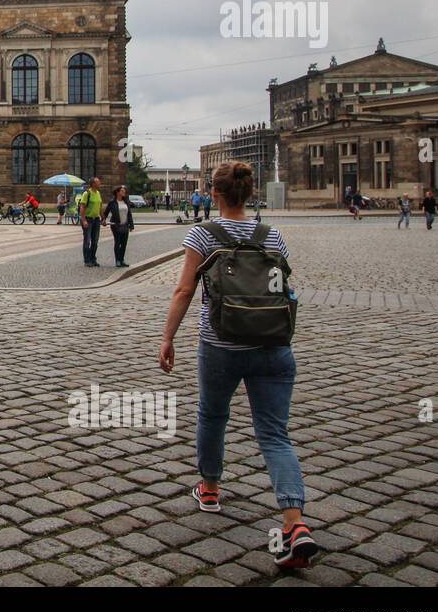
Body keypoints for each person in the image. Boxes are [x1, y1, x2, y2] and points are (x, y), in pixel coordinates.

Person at [159, 161, 317, 569]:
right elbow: (284, 288)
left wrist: (168, 338)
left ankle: (210, 489)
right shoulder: (272, 235)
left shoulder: (203, 234)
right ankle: (294, 523)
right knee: (274, 434)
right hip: (273, 344)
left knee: (212, 415)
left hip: (221, 345)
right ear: (248, 193)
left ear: (214, 193)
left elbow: (183, 289)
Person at [102, 185, 135, 267]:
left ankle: (122, 259)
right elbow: (106, 213)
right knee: (118, 242)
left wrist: (131, 225)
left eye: (124, 191)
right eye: (122, 191)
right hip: (116, 225)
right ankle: (117, 260)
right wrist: (103, 220)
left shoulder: (126, 201)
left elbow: (129, 214)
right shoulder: (112, 202)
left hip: (125, 225)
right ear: (117, 192)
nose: (124, 192)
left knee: (124, 243)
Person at [77, 177, 103, 266]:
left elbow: (100, 207)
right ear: (93, 184)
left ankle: (93, 259)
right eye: (98, 182)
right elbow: (82, 207)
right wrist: (84, 220)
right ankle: (87, 260)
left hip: (96, 219)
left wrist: (103, 218)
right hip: (88, 219)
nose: (100, 184)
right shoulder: (86, 193)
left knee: (95, 241)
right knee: (87, 240)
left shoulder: (98, 193)